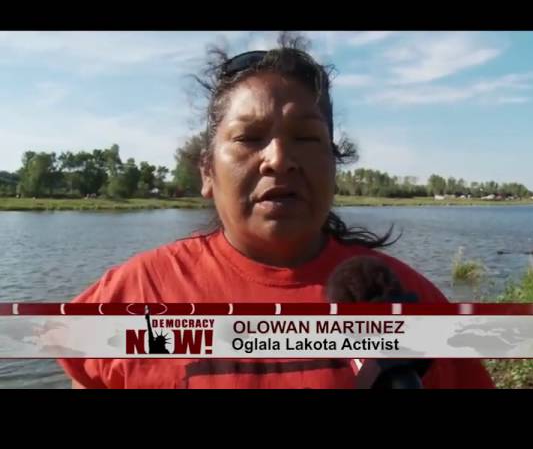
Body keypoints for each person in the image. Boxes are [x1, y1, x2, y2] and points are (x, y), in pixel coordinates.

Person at [58, 34, 494, 389]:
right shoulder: (132, 295)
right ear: (207, 172)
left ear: (333, 166)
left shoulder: (410, 299)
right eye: (249, 138)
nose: (279, 159)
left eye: (305, 138)